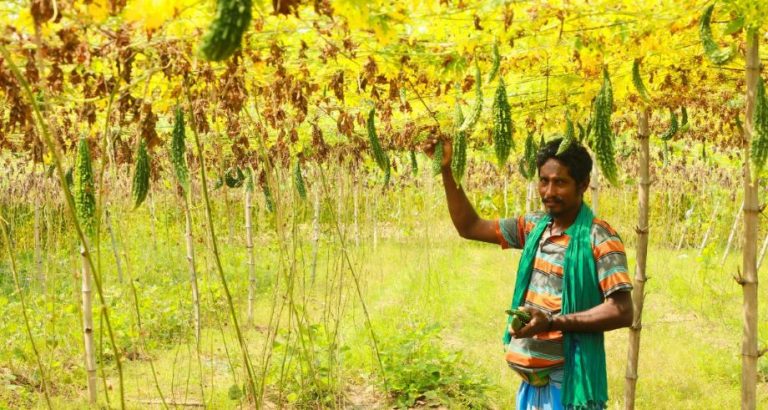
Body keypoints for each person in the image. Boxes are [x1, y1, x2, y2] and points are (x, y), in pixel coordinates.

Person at [427, 137, 634, 410]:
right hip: (530, 385)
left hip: (568, 385)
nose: (549, 191)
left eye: (560, 182)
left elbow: (622, 311)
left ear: (583, 185)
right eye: (544, 181)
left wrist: (552, 322)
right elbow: (470, 226)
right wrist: (447, 169)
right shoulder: (534, 226)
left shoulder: (599, 237)